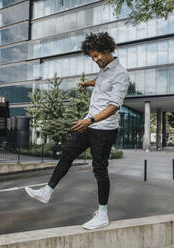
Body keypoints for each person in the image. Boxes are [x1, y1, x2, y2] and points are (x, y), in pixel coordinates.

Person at [25, 32, 130, 230]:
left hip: (104, 129)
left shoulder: (121, 74)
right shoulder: (104, 69)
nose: (95, 60)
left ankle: (103, 214)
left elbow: (114, 106)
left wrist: (89, 120)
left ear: (107, 50)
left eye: (97, 55)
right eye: (92, 57)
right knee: (68, 153)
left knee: (100, 169)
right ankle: (47, 191)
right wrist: (87, 83)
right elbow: (101, 83)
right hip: (89, 125)